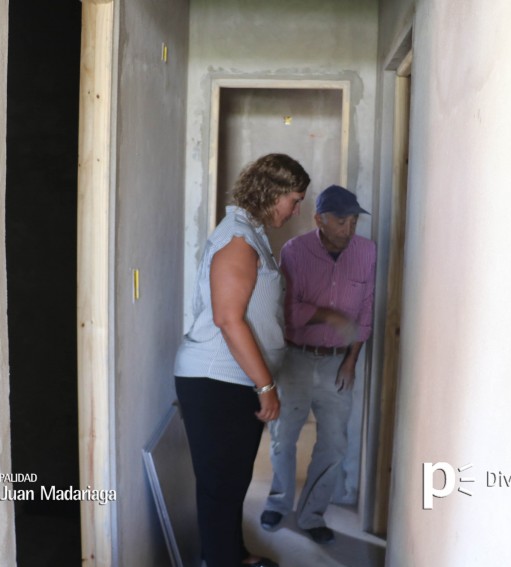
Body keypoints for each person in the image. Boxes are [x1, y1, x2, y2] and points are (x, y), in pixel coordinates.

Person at [174, 153, 311, 567]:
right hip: (219, 382)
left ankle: (234, 555)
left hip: (234, 382)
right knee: (221, 487)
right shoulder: (238, 239)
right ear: (273, 194)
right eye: (295, 199)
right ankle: (220, 559)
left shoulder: (251, 234)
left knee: (231, 483)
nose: (296, 209)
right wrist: (266, 386)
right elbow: (228, 320)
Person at [259, 184, 376, 545]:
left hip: (337, 363)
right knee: (283, 438)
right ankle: (279, 503)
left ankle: (311, 514)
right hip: (294, 358)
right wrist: (327, 314)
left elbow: (366, 313)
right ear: (319, 219)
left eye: (354, 221)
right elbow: (288, 312)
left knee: (334, 444)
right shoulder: (295, 251)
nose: (349, 228)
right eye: (341, 220)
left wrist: (351, 362)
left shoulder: (366, 252)